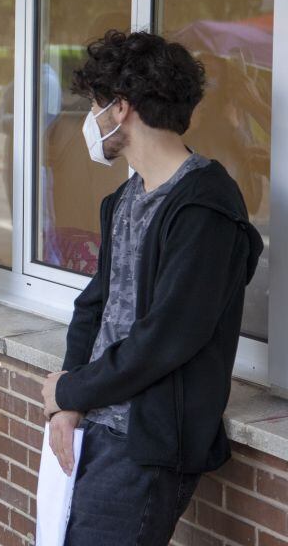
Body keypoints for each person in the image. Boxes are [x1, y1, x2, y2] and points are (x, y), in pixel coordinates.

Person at [40, 30, 263, 546]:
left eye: (95, 105)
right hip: (96, 424)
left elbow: (167, 337)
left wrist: (71, 390)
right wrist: (70, 400)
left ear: (121, 109)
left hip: (145, 442)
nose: (89, 122)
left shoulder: (204, 207)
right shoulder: (124, 198)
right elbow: (93, 305)